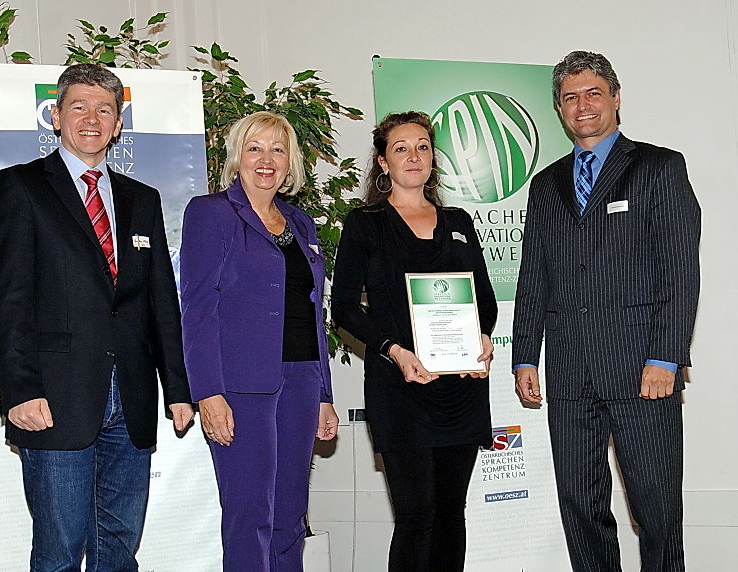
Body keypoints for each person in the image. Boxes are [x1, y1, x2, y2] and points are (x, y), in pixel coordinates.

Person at [0, 63, 194, 571]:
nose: (92, 119)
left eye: (104, 109)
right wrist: (19, 391)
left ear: (118, 124)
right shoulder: (20, 187)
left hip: (133, 398)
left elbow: (161, 301)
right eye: (78, 107)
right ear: (56, 117)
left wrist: (179, 389)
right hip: (54, 400)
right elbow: (8, 300)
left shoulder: (142, 199)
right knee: (59, 552)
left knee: (119, 548)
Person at [512, 50, 700, 571]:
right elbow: (534, 277)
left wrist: (666, 357)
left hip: (643, 370)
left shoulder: (659, 167)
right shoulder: (545, 185)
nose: (583, 105)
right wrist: (524, 355)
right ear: (559, 108)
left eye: (593, 93)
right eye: (570, 97)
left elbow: (681, 272)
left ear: (616, 98)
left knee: (657, 512)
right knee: (580, 506)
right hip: (569, 373)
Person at [331, 111, 497, 572]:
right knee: (416, 518)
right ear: (383, 162)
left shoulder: (459, 221)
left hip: (460, 389)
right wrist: (395, 351)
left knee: (451, 515)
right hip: (400, 388)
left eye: (422, 146)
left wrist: (483, 338)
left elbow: (484, 300)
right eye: (401, 148)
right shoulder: (365, 223)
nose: (413, 156)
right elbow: (344, 308)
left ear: (432, 159)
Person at [180, 111, 339, 572]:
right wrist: (208, 392)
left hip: (302, 380)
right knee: (250, 519)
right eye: (255, 148)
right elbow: (197, 309)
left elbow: (313, 313)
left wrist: (324, 395)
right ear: (237, 157)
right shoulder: (210, 213)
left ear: (290, 163)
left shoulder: (301, 223)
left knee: (290, 518)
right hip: (239, 387)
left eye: (277, 149)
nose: (266, 159)